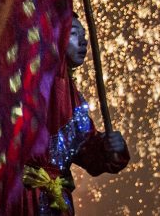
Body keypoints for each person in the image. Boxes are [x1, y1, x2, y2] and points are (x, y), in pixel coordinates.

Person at [20, 17, 129, 214]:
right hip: (23, 199)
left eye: (85, 35)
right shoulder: (29, 80)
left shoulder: (74, 98)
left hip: (57, 203)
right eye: (73, 33)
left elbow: (88, 150)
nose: (84, 41)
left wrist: (110, 147)